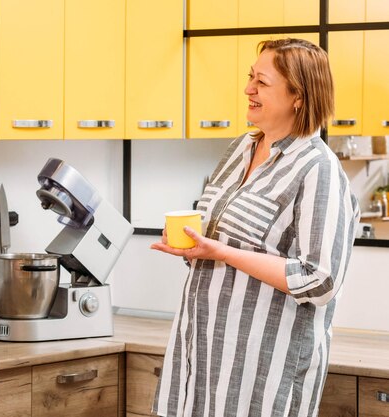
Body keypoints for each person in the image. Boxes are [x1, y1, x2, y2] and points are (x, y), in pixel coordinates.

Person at [151, 38, 359, 417]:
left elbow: (320, 279)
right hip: (200, 356)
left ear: (298, 95)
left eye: (261, 82)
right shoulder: (239, 150)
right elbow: (220, 239)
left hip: (260, 374)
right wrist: (194, 247)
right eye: (250, 78)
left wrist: (221, 252)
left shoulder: (319, 169)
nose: (248, 89)